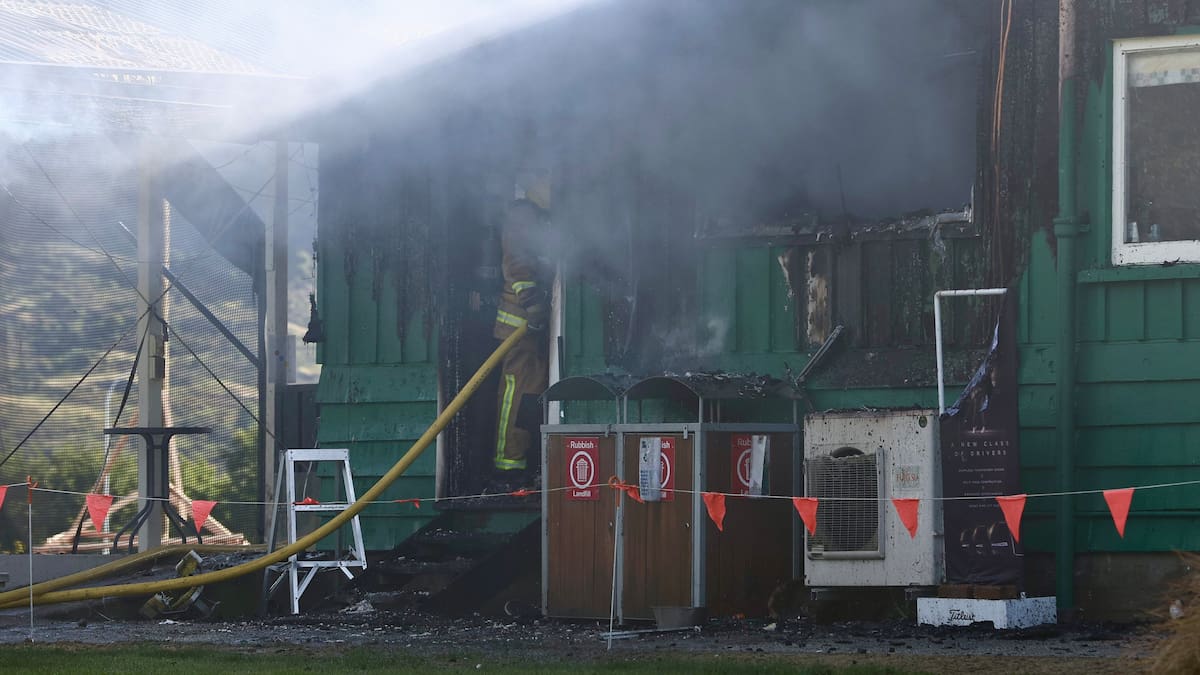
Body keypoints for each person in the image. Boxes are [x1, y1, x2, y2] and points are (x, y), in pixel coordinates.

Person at [492, 192, 550, 480]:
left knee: (531, 393)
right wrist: (533, 304)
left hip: (532, 330)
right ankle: (507, 465)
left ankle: (522, 460)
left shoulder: (538, 218)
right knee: (514, 394)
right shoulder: (521, 218)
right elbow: (517, 267)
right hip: (519, 325)